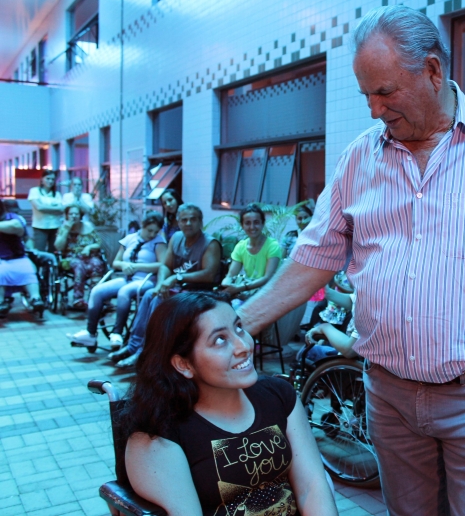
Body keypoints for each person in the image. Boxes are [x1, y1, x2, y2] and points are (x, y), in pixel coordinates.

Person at [239, 5, 465, 515]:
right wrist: (235, 326)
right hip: (387, 395)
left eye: (385, 92)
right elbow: (314, 257)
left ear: (433, 71)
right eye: (366, 95)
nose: (374, 110)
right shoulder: (359, 158)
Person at [121, 291, 337, 516]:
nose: (243, 346)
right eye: (220, 339)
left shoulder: (278, 395)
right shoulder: (158, 435)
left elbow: (312, 487)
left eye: (239, 327)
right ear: (183, 364)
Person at [109, 203, 221, 368]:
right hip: (180, 289)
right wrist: (160, 284)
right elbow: (165, 266)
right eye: (184, 220)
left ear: (200, 222)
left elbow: (209, 274)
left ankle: (144, 352)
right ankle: (133, 346)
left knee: (159, 300)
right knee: (150, 294)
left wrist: (176, 278)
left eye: (193, 219)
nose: (188, 223)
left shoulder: (210, 244)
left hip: (198, 292)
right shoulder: (176, 238)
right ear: (179, 222)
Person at [67, 212, 167, 350]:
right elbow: (116, 262)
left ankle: (117, 333)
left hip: (146, 280)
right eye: (149, 230)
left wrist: (138, 266)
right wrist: (124, 265)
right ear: (142, 226)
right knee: (97, 290)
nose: (152, 234)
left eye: (155, 231)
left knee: (124, 292)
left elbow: (163, 265)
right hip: (127, 278)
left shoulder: (158, 242)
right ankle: (90, 333)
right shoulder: (129, 239)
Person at [220, 204, 282, 305]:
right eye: (247, 223)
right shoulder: (240, 246)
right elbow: (231, 274)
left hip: (271, 295)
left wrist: (241, 287)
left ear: (263, 223)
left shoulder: (272, 245)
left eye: (256, 222)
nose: (252, 227)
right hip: (249, 294)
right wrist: (226, 283)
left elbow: (267, 277)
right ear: (242, 225)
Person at [55, 204, 105, 310]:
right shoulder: (63, 228)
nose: (74, 216)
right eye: (71, 214)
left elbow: (98, 243)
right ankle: (78, 299)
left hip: (89, 256)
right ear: (67, 216)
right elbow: (58, 247)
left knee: (96, 264)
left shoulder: (88, 226)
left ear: (80, 215)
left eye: (76, 214)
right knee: (79, 265)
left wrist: (89, 247)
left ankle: (95, 297)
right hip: (70, 258)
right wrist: (66, 230)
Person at [0, 200, 45, 316]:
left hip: (17, 257)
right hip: (1, 261)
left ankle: (35, 299)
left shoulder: (12, 217)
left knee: (28, 270)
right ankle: (1, 302)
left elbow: (17, 227)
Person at [28, 169, 63, 252]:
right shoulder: (34, 191)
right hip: (40, 226)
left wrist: (45, 208)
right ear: (42, 179)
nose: (50, 181)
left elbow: (61, 210)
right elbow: (39, 207)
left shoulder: (57, 194)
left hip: (55, 226)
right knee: (39, 252)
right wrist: (54, 208)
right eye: (48, 178)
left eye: (52, 179)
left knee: (53, 251)